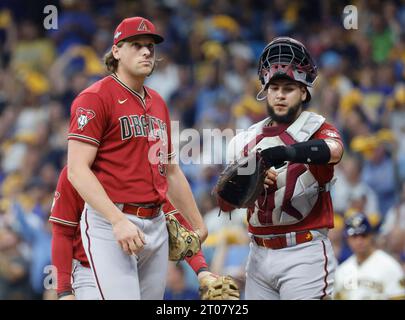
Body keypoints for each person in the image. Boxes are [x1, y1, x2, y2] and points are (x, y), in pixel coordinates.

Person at [66, 16, 207, 300]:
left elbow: (171, 170)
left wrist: (198, 224)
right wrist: (116, 220)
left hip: (156, 224)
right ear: (116, 51)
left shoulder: (158, 102)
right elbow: (77, 170)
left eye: (150, 47)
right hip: (110, 222)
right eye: (136, 45)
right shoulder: (94, 98)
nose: (146, 52)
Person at [218, 37, 344, 299]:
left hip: (304, 254)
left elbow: (334, 151)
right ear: (265, 90)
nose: (280, 94)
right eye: (274, 88)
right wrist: (246, 187)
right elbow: (225, 204)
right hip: (258, 255)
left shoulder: (317, 128)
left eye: (288, 88)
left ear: (304, 92)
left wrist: (283, 154)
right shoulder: (245, 140)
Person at [49, 167, 217, 300]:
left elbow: (177, 225)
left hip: (142, 269)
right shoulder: (77, 172)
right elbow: (62, 232)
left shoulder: (144, 169)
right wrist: (64, 291)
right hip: (90, 272)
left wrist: (202, 270)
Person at [334, 213, 405, 300]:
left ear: (371, 236)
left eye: (363, 235)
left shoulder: (390, 266)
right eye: (354, 237)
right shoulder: (342, 270)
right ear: (347, 239)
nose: (359, 241)